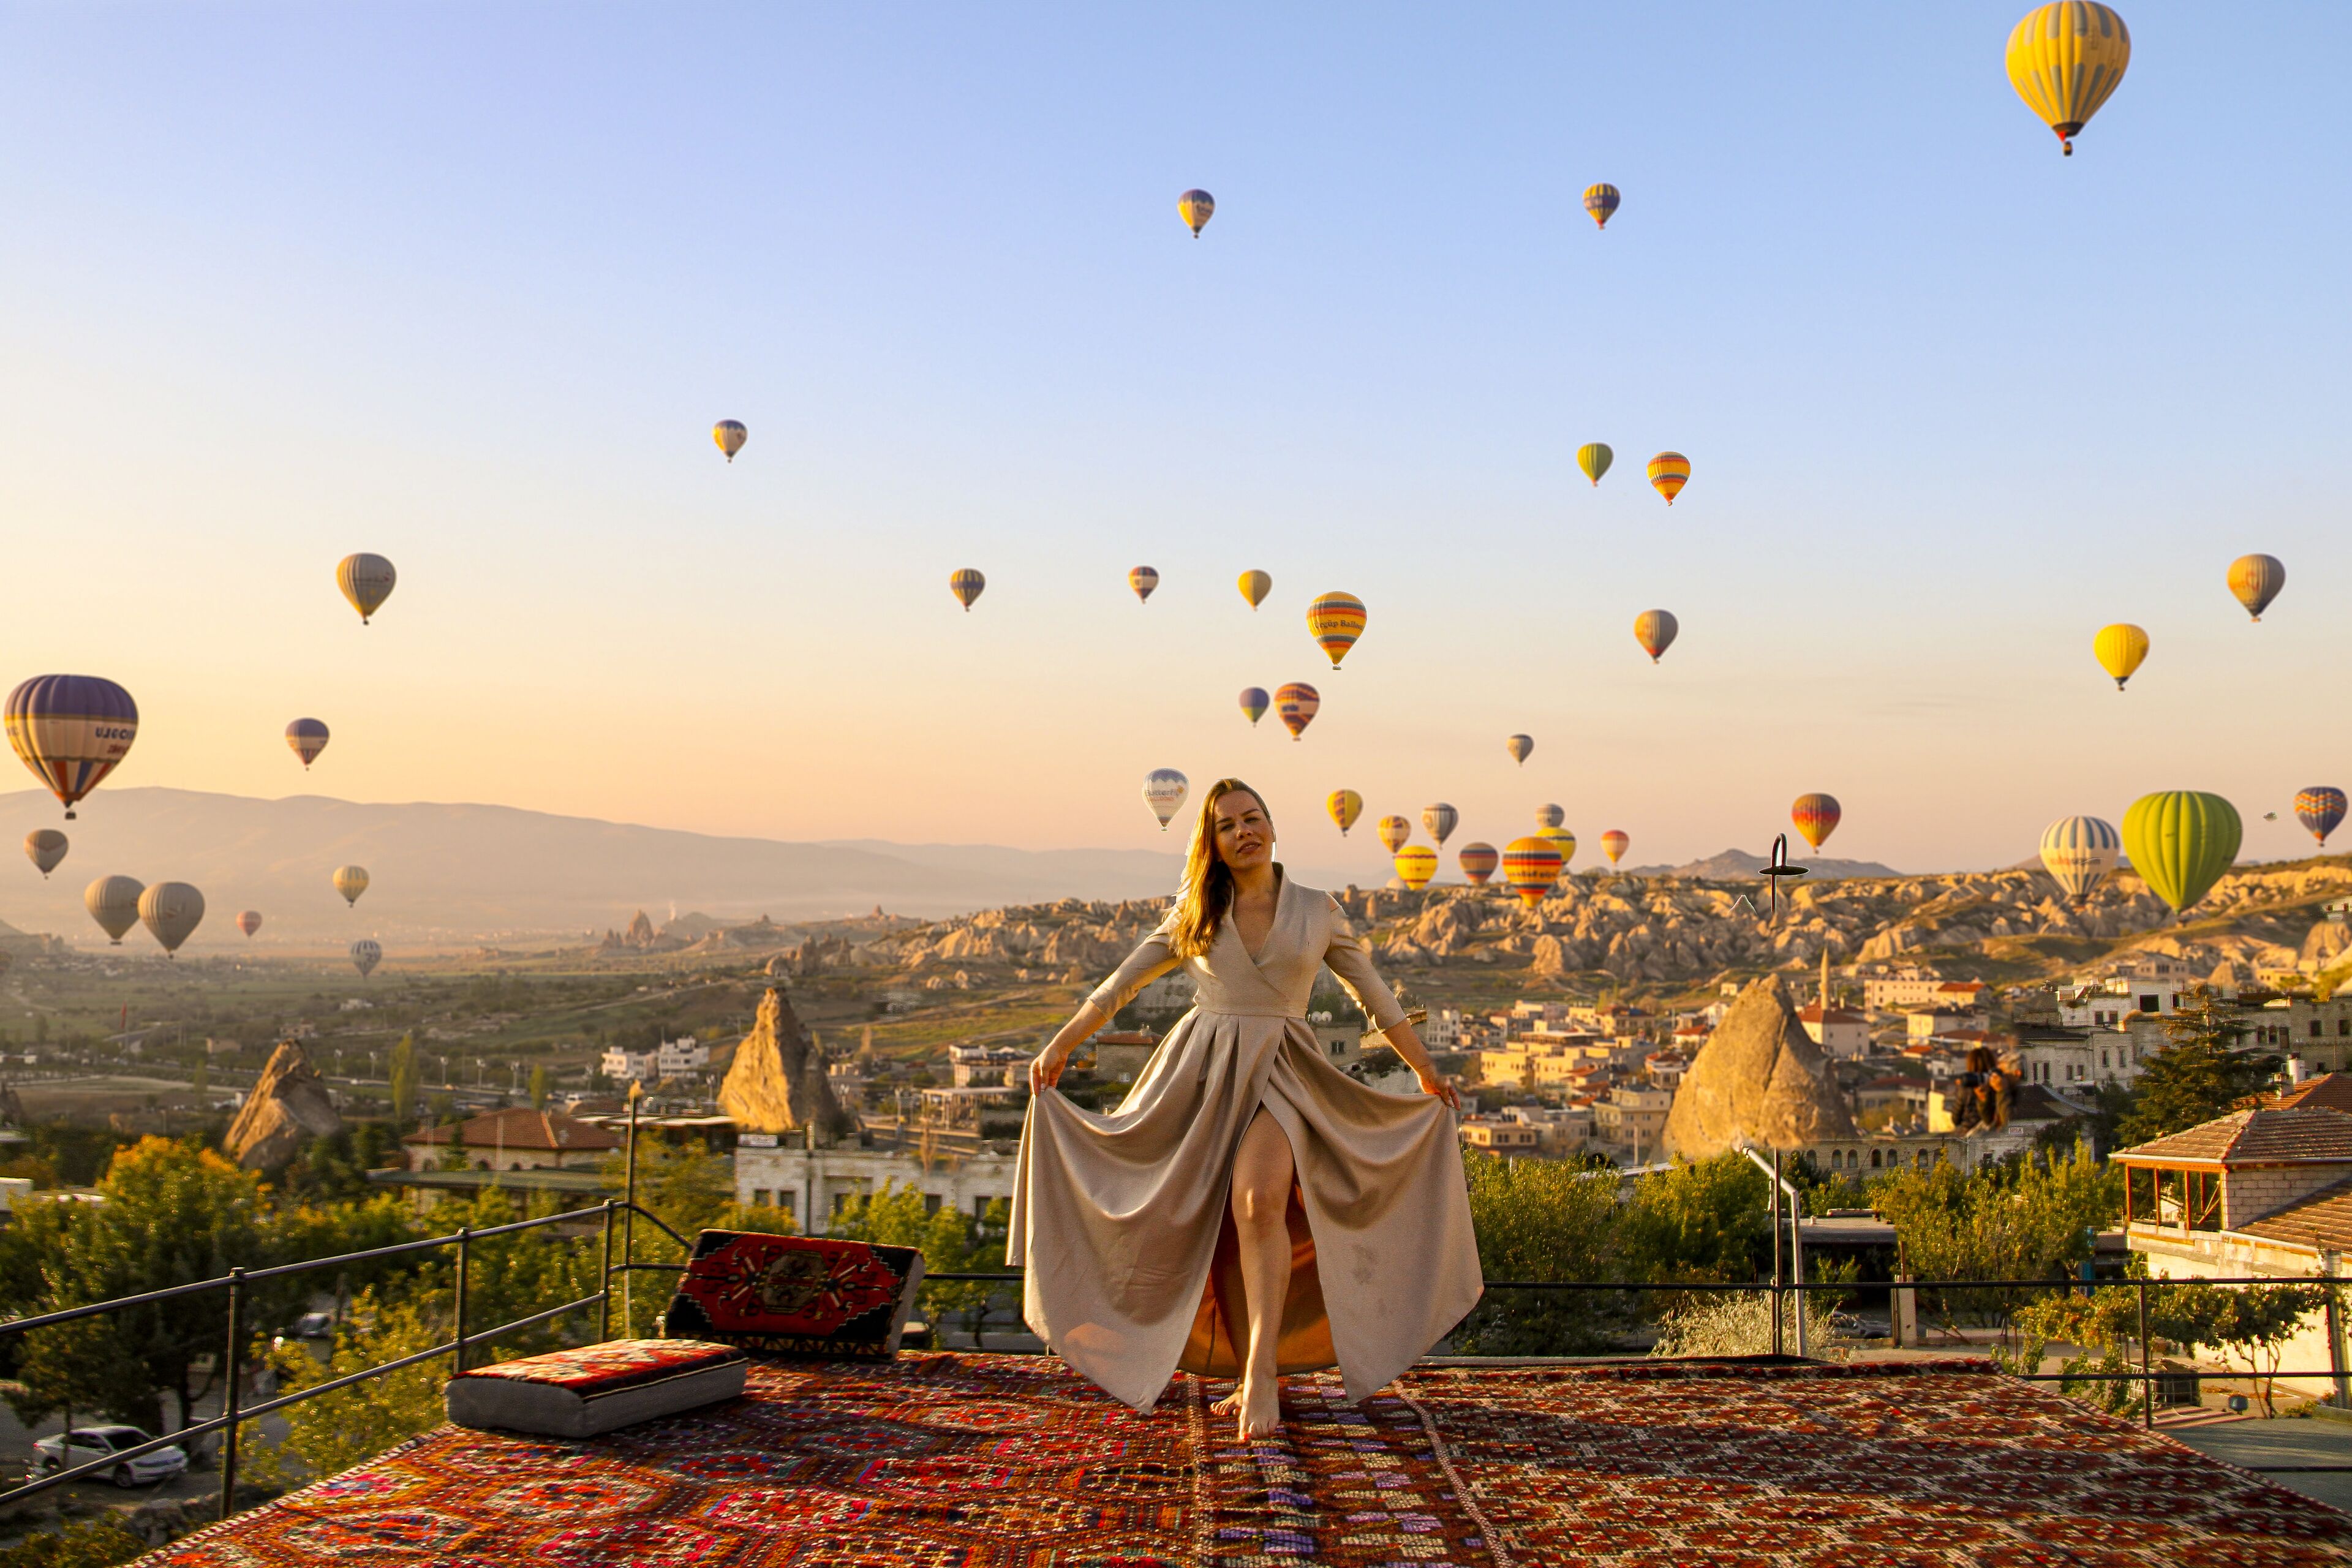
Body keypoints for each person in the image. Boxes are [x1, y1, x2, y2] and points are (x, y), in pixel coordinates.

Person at [1012, 778, 1480, 1440]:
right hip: (1200, 1076)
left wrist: (1426, 1068)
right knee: (1202, 1219)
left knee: (1260, 1199)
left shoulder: (1319, 909)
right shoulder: (1195, 911)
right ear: (1213, 842)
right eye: (1226, 825)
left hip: (1286, 1069)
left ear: (1273, 826)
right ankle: (1217, 1360)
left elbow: (1375, 994)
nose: (1242, 831)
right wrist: (1060, 1044)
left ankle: (1262, 1373)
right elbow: (1119, 985)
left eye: (1252, 818)